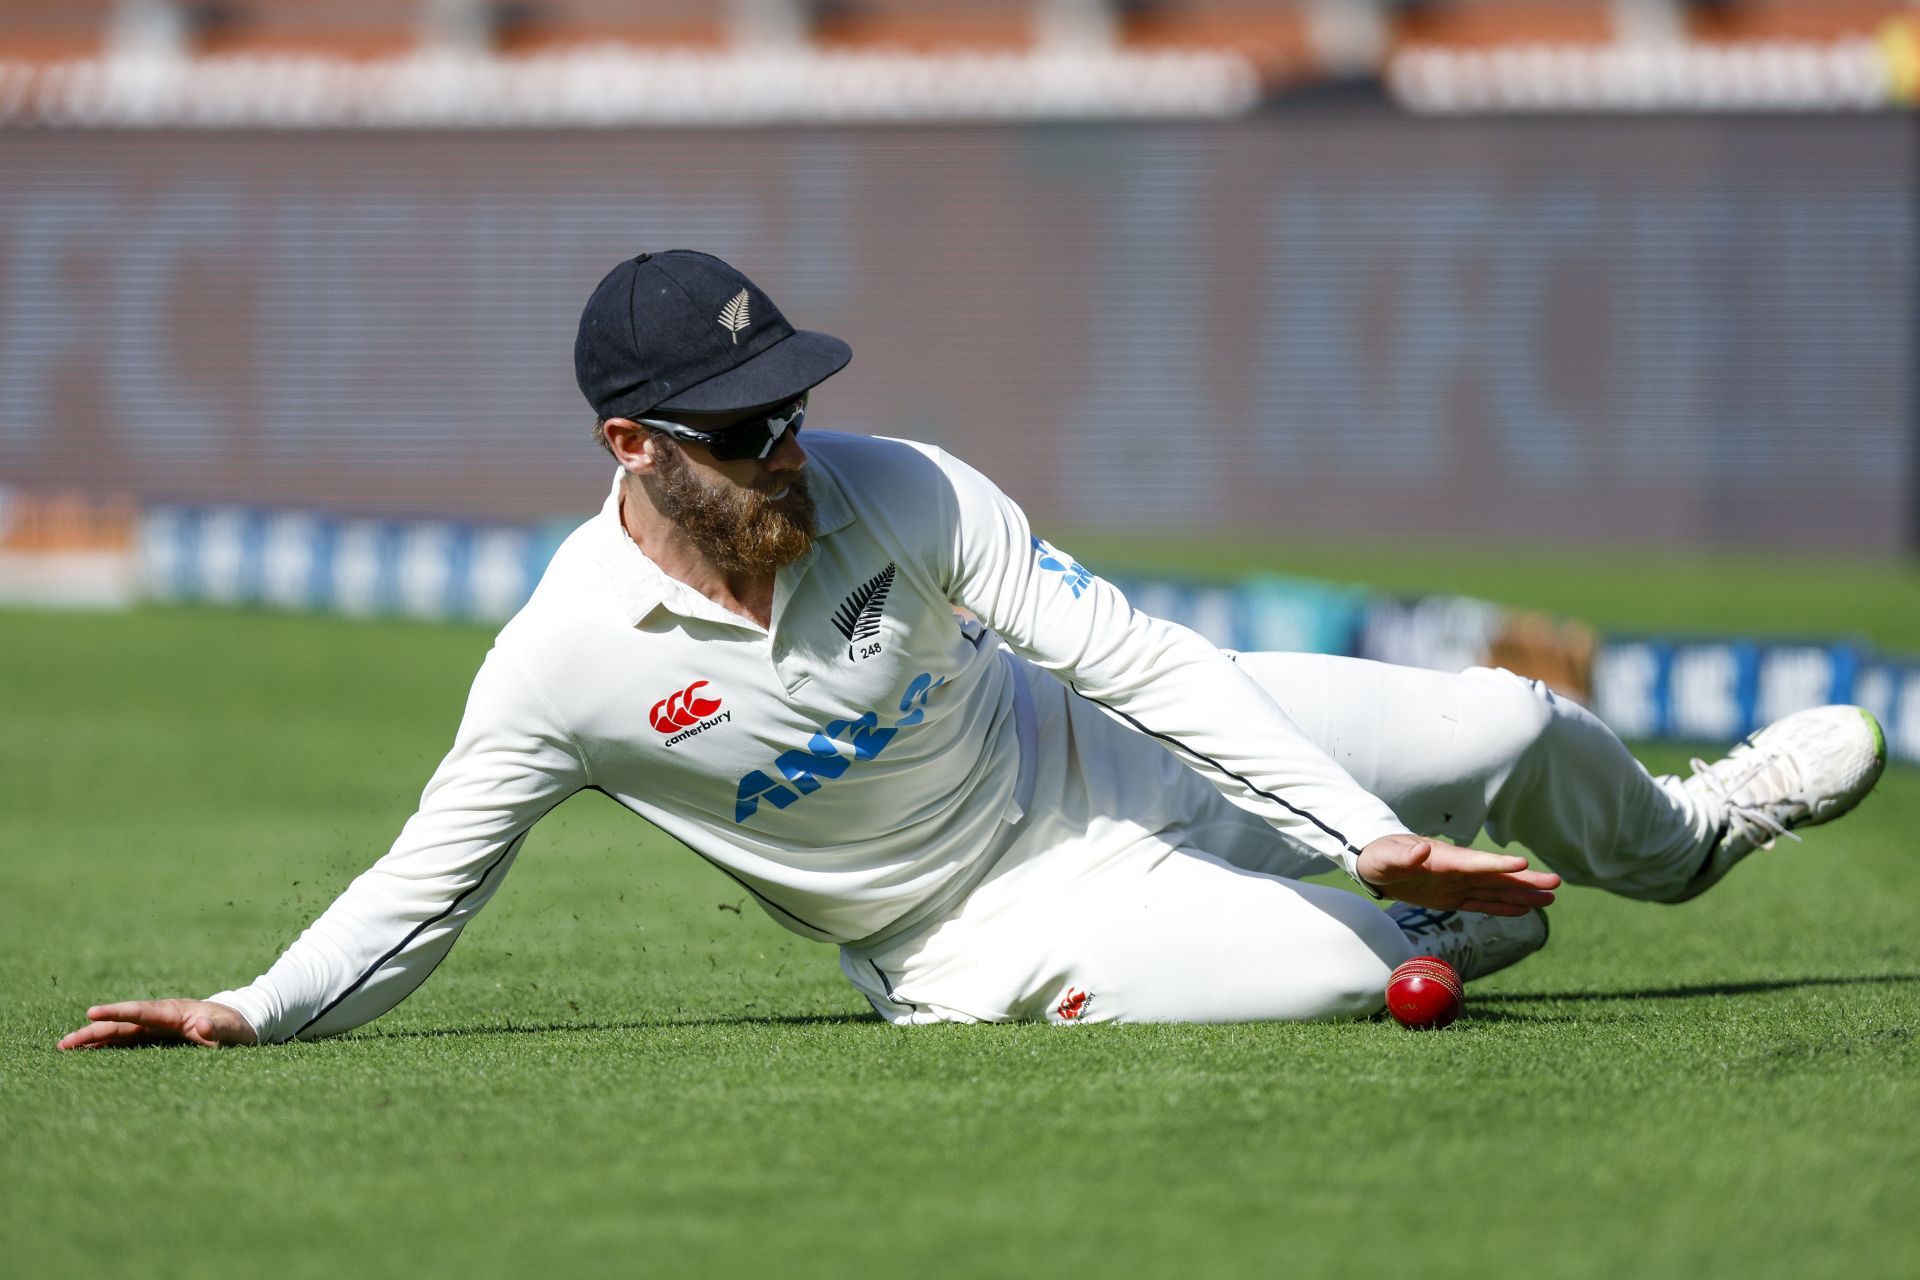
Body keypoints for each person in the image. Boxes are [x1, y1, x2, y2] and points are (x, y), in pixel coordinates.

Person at [59, 251, 1886, 1048]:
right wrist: (248, 1008)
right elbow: (421, 885)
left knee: (1503, 722)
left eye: (789, 405)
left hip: (1103, 755)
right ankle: (1418, 921)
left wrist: (1353, 818)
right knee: (1354, 980)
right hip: (982, 932)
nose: (788, 447)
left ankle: (1690, 834)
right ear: (633, 447)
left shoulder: (904, 490)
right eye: (738, 428)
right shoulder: (560, 665)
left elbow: (1142, 658)